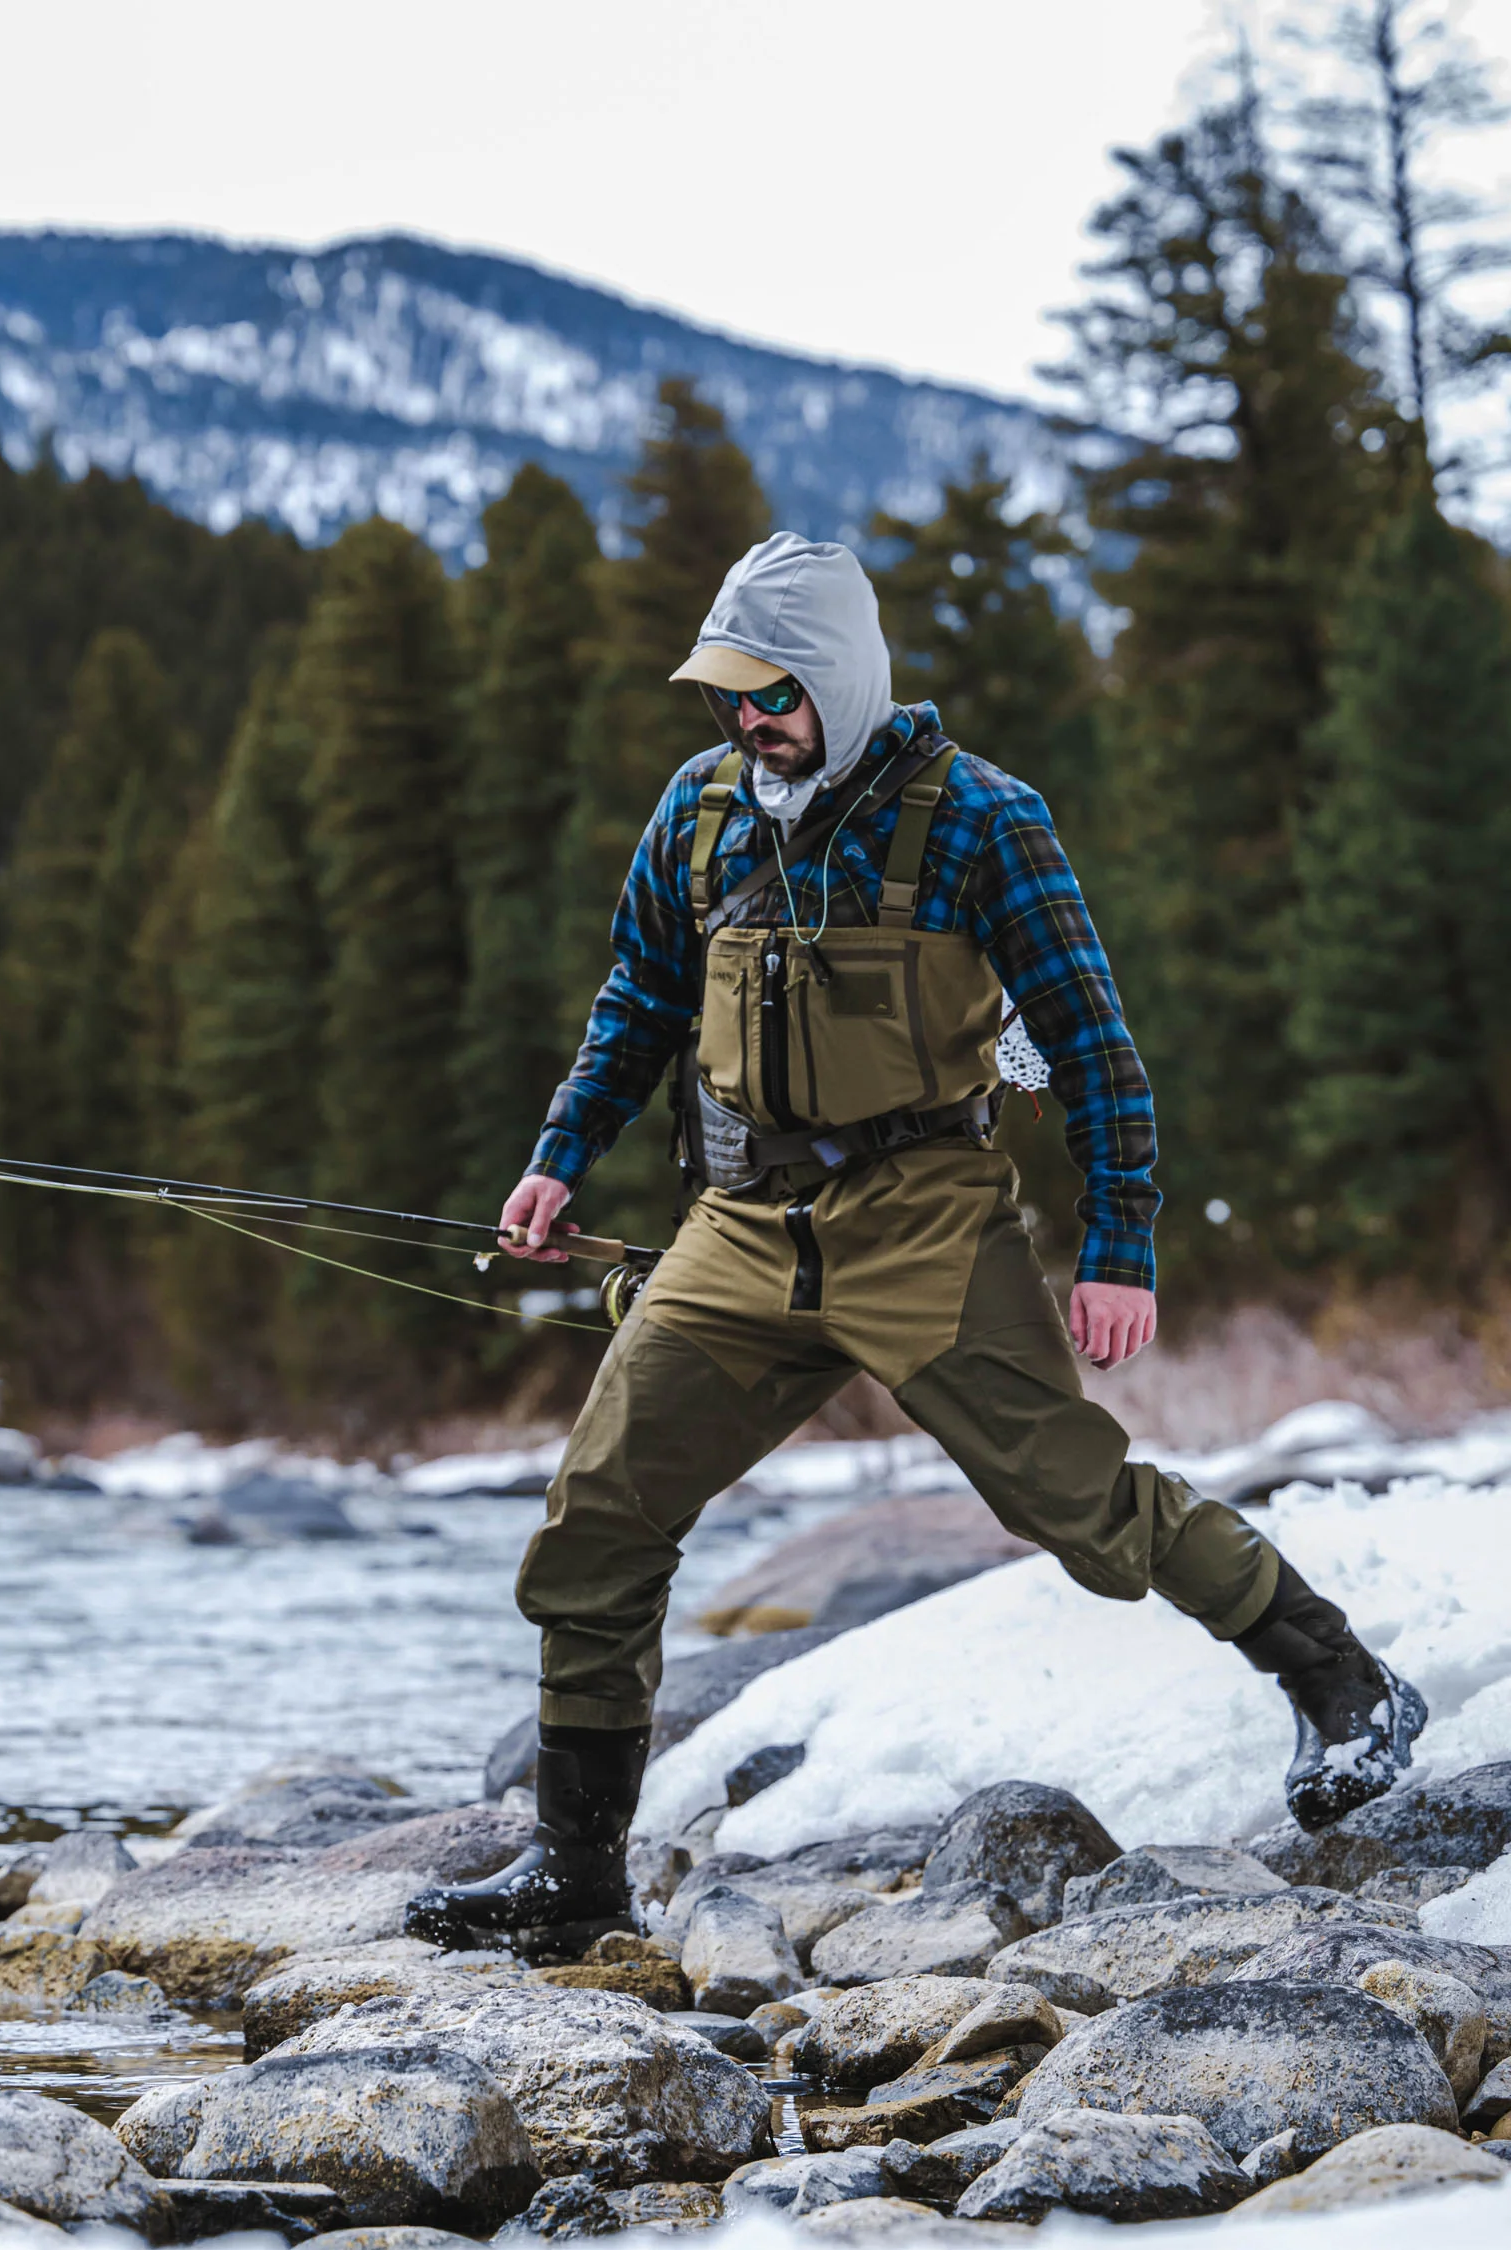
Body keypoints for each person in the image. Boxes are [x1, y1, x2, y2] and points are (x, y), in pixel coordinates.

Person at [406, 532, 1423, 1951]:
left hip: (926, 1218)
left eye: (775, 694)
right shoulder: (698, 814)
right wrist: (556, 1160)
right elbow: (637, 999)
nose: (748, 723)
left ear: (841, 677)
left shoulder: (979, 818)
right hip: (741, 1225)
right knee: (598, 1521)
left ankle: (1345, 1683)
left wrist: (1120, 1242)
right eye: (728, 695)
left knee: (1078, 1504)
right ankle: (575, 1872)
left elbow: (1093, 1045)